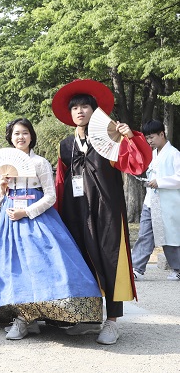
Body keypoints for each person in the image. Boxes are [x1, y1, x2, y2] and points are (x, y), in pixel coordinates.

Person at [52, 79, 152, 345]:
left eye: (85, 106)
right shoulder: (64, 146)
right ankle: (87, 317)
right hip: (76, 211)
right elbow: (60, 183)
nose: (80, 111)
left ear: (94, 111)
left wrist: (130, 137)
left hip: (107, 209)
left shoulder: (110, 138)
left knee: (111, 260)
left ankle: (112, 321)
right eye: (75, 108)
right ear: (70, 114)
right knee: (82, 259)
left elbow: (137, 163)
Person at [0, 118, 103, 341]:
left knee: (44, 266)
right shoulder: (4, 165)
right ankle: (24, 319)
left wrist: (27, 212)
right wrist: (2, 186)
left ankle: (36, 318)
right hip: (10, 221)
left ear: (31, 136)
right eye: (16, 134)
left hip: (37, 218)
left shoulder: (40, 162)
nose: (20, 137)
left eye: (24, 133)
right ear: (10, 138)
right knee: (16, 269)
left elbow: (51, 196)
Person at [131, 119, 180, 281]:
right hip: (150, 201)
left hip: (167, 203)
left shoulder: (174, 154)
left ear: (162, 134)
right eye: (147, 138)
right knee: (144, 234)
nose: (149, 141)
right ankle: (136, 268)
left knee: (170, 236)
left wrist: (160, 182)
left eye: (152, 137)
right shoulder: (152, 154)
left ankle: (178, 268)